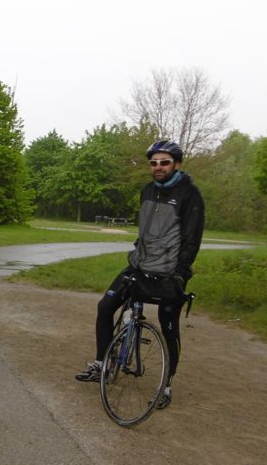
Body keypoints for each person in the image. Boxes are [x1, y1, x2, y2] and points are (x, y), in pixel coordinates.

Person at [75, 140, 205, 409]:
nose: (158, 168)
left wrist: (180, 273)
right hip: (140, 265)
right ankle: (102, 363)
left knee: (169, 324)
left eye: (164, 162)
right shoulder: (148, 190)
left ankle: (166, 385)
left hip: (171, 271)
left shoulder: (190, 195)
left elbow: (192, 239)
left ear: (177, 164)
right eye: (154, 163)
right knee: (106, 305)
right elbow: (146, 231)